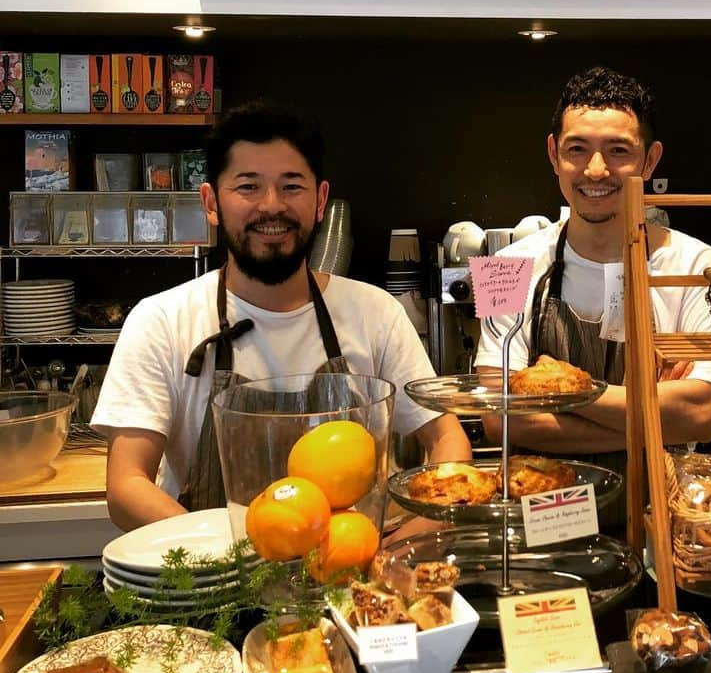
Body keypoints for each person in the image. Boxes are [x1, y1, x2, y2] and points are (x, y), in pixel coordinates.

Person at [93, 104, 471, 531]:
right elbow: (125, 486)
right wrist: (224, 558)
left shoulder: (376, 314)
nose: (271, 206)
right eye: (248, 186)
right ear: (211, 202)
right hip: (213, 582)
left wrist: (397, 548)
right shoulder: (162, 320)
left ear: (320, 201)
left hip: (354, 577)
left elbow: (447, 439)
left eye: (291, 186)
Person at [475, 66, 711, 472]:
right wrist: (657, 418)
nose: (596, 170)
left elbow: (702, 414)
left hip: (659, 519)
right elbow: (499, 419)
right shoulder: (501, 268)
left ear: (650, 161)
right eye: (577, 149)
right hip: (545, 514)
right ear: (553, 155)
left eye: (618, 150)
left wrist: (559, 394)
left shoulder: (698, 265)